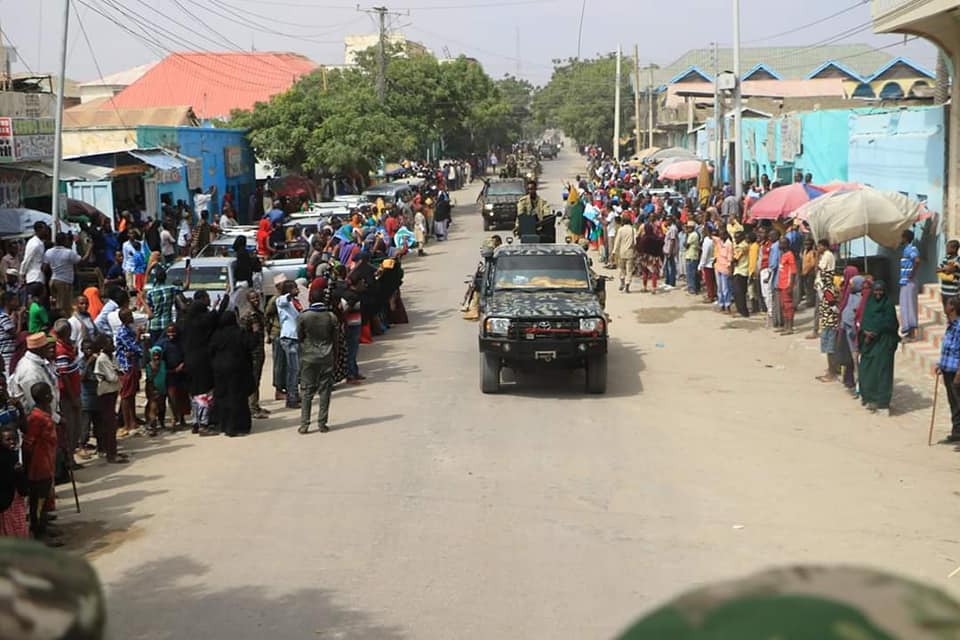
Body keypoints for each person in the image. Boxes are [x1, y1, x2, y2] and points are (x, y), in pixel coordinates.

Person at [297, 285, 339, 434]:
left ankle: (304, 425)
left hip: (309, 357)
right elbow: (336, 340)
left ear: (310, 299)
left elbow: (299, 336)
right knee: (325, 391)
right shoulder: (331, 316)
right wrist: (335, 357)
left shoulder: (304, 316)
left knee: (307, 392)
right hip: (326, 357)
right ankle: (322, 423)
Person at [22, 381, 59, 545]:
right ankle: (39, 532)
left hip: (47, 461)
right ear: (45, 397)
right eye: (49, 393)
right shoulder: (36, 418)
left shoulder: (45, 413)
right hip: (38, 466)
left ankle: (44, 526)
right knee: (38, 501)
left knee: (44, 498)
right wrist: (29, 467)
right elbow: (28, 443)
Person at [209, 310, 255, 437]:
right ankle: (237, 426)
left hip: (220, 370)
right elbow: (251, 344)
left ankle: (223, 424)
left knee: (223, 396)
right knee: (237, 397)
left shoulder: (217, 335)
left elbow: (211, 351)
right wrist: (254, 332)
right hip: (237, 369)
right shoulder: (240, 333)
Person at [182, 291, 221, 435]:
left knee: (194, 394)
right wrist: (217, 305)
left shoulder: (186, 323)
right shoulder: (202, 322)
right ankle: (204, 425)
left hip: (189, 361)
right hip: (202, 362)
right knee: (204, 393)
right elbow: (213, 317)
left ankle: (195, 422)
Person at [858, 280, 900, 413]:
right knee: (867, 369)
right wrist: (866, 332)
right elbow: (864, 320)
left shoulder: (888, 305)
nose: (878, 293)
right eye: (876, 290)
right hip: (869, 344)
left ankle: (882, 401)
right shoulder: (869, 303)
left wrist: (877, 330)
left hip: (883, 343)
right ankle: (869, 398)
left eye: (880, 291)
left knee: (883, 371)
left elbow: (892, 323)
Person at [52, 319, 81, 467]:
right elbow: (64, 376)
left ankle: (71, 458)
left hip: (74, 392)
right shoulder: (61, 352)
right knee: (71, 429)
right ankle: (69, 460)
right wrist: (73, 398)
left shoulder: (66, 346)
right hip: (68, 396)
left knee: (75, 427)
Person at [94, 335, 125, 463]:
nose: (112, 345)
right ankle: (110, 454)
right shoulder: (102, 359)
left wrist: (117, 372)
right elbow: (113, 377)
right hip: (105, 394)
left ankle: (113, 451)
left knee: (112, 422)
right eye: (109, 344)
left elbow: (119, 371)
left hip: (113, 391)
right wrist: (117, 373)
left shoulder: (112, 356)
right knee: (109, 424)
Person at [240, 290, 269, 420]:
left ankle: (255, 405)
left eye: (257, 297)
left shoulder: (258, 313)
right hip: (253, 352)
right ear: (248, 300)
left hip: (259, 349)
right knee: (253, 379)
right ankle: (252, 408)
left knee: (257, 379)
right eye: (253, 298)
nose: (256, 300)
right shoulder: (249, 315)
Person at [114, 308, 142, 436]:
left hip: (132, 363)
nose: (132, 317)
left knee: (132, 394)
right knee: (126, 395)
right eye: (129, 315)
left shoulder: (129, 328)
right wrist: (138, 336)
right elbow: (133, 347)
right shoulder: (123, 332)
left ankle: (133, 421)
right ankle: (127, 424)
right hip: (126, 366)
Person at [145, 264, 189, 343]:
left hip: (154, 325)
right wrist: (188, 273)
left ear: (156, 279)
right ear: (165, 277)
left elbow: (150, 311)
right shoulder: (171, 288)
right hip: (167, 325)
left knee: (155, 347)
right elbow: (186, 287)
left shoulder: (150, 292)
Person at [44, 233, 83, 318]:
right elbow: (81, 261)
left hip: (53, 281)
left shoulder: (49, 252)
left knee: (55, 304)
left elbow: (45, 267)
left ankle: (55, 320)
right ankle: (62, 322)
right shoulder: (68, 252)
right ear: (65, 241)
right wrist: (89, 249)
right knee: (64, 306)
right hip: (64, 281)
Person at [276, 280, 302, 408]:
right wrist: (290, 294)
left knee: (295, 369)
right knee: (293, 369)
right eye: (295, 288)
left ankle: (294, 394)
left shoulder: (295, 302)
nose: (298, 290)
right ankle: (291, 398)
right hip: (289, 337)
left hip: (296, 337)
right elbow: (283, 300)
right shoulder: (281, 300)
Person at [0, 422, 28, 538]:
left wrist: (19, 472)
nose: (12, 442)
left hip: (16, 499)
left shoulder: (14, 455)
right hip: (5, 501)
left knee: (20, 526)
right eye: (8, 439)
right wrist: (13, 472)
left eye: (14, 439)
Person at [938, 295, 960, 444]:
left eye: (946, 304)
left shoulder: (959, 327)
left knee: (958, 402)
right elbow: (948, 348)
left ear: (952, 307)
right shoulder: (951, 325)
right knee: (953, 402)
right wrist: (941, 365)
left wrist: (959, 373)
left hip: (956, 372)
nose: (944, 307)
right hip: (948, 369)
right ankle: (956, 432)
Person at [158, 324, 188, 430]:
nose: (171, 334)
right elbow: (157, 357)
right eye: (169, 332)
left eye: (173, 332)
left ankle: (182, 417)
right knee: (172, 397)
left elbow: (186, 355)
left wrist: (182, 364)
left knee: (182, 396)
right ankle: (173, 418)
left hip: (181, 374)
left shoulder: (181, 343)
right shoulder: (162, 344)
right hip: (168, 374)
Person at [815, 272, 841, 383]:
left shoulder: (827, 291)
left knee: (829, 349)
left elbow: (833, 306)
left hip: (829, 324)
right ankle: (833, 370)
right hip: (831, 323)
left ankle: (832, 373)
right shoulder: (833, 289)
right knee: (831, 349)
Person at [899, 230, 920, 341]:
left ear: (905, 238)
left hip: (909, 281)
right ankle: (908, 331)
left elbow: (917, 260)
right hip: (904, 281)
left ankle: (912, 334)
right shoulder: (906, 249)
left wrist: (912, 273)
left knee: (910, 306)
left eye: (902, 237)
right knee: (905, 306)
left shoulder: (912, 249)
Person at [777, 236, 797, 335]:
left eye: (781, 243)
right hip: (781, 284)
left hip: (787, 285)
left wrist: (791, 285)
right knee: (783, 306)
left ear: (786, 244)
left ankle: (790, 327)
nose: (779, 245)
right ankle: (785, 326)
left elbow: (793, 271)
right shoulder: (783, 255)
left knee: (788, 306)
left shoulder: (790, 255)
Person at [611, 216, 636, 293]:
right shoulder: (633, 230)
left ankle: (622, 282)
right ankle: (627, 285)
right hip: (630, 252)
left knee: (621, 268)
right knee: (629, 270)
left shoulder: (620, 230)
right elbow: (635, 242)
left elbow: (617, 241)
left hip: (621, 252)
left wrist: (614, 252)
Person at [636, 222, 663, 294]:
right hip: (653, 257)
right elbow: (661, 244)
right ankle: (654, 288)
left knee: (645, 272)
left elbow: (639, 248)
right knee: (654, 273)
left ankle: (645, 287)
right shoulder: (656, 238)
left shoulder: (643, 238)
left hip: (645, 257)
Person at [144, 347, 166, 435]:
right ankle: (153, 427)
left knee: (162, 406)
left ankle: (162, 422)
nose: (156, 357)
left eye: (158, 355)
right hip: (152, 389)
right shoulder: (149, 366)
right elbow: (149, 379)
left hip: (162, 389)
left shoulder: (163, 364)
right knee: (153, 407)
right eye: (154, 355)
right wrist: (153, 390)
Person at [20, 222, 48, 288]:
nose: (46, 232)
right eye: (45, 229)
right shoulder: (34, 244)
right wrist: (22, 273)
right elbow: (27, 259)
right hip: (33, 278)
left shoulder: (40, 243)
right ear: (39, 230)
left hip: (40, 278)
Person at [0, 292, 20, 375]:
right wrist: (20, 318)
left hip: (10, 354)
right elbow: (17, 335)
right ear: (8, 302)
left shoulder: (7, 317)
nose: (17, 303)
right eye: (15, 300)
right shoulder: (3, 317)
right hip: (7, 356)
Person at [938, 239, 960, 313]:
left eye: (948, 247)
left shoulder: (958, 260)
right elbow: (937, 270)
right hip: (944, 292)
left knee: (954, 313)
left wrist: (944, 270)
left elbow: (950, 269)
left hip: (953, 294)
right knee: (946, 312)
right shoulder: (945, 259)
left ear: (954, 249)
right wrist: (946, 270)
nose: (946, 249)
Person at [732, 230, 750, 318]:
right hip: (739, 270)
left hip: (742, 271)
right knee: (737, 292)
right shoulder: (739, 245)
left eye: (737, 237)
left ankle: (743, 311)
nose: (736, 239)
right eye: (735, 237)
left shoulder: (743, 246)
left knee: (740, 292)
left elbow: (735, 259)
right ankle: (740, 310)